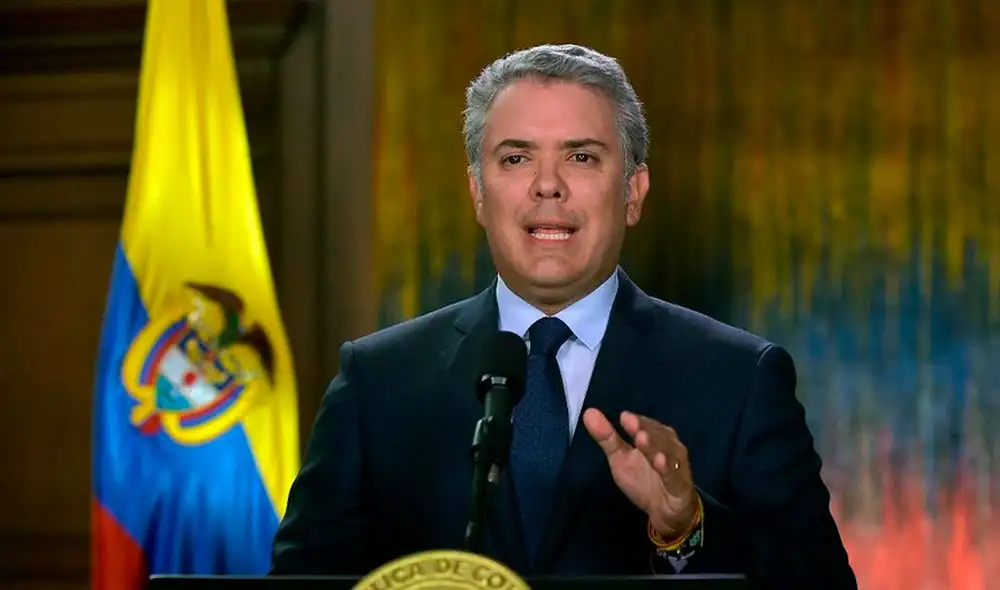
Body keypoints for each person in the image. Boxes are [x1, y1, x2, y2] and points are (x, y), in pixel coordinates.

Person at [271, 43, 857, 589]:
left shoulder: (739, 379)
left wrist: (686, 526)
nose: (547, 186)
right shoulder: (378, 382)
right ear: (478, 192)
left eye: (581, 156)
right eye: (516, 157)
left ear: (632, 191)